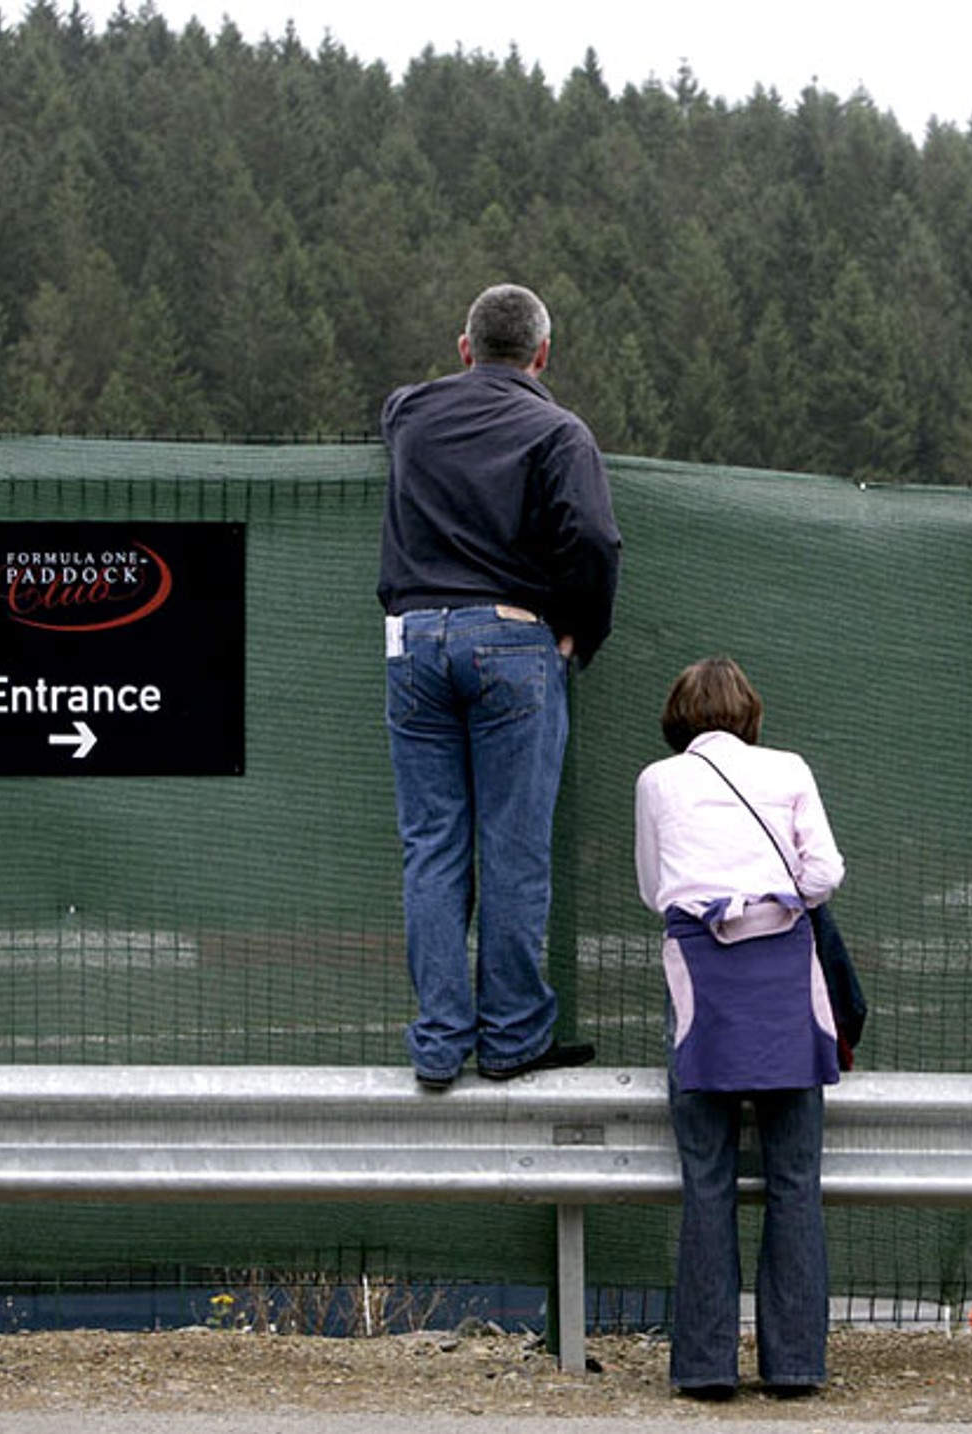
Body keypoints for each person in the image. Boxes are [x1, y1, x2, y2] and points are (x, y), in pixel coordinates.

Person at [378, 283, 622, 1090]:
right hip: (514, 641)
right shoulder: (560, 432)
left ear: (464, 348)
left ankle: (439, 1042)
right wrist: (580, 630)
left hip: (413, 638)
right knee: (513, 848)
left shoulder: (409, 414)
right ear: (543, 354)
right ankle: (512, 1037)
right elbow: (594, 538)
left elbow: (392, 409)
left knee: (432, 846)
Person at [634, 656, 845, 1399]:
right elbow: (825, 875)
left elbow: (654, 888)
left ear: (678, 718)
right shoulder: (790, 768)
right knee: (795, 1179)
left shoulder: (657, 781)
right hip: (786, 981)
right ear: (751, 713)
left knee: (706, 1179)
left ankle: (704, 1367)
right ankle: (795, 1365)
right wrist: (775, 899)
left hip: (701, 981)